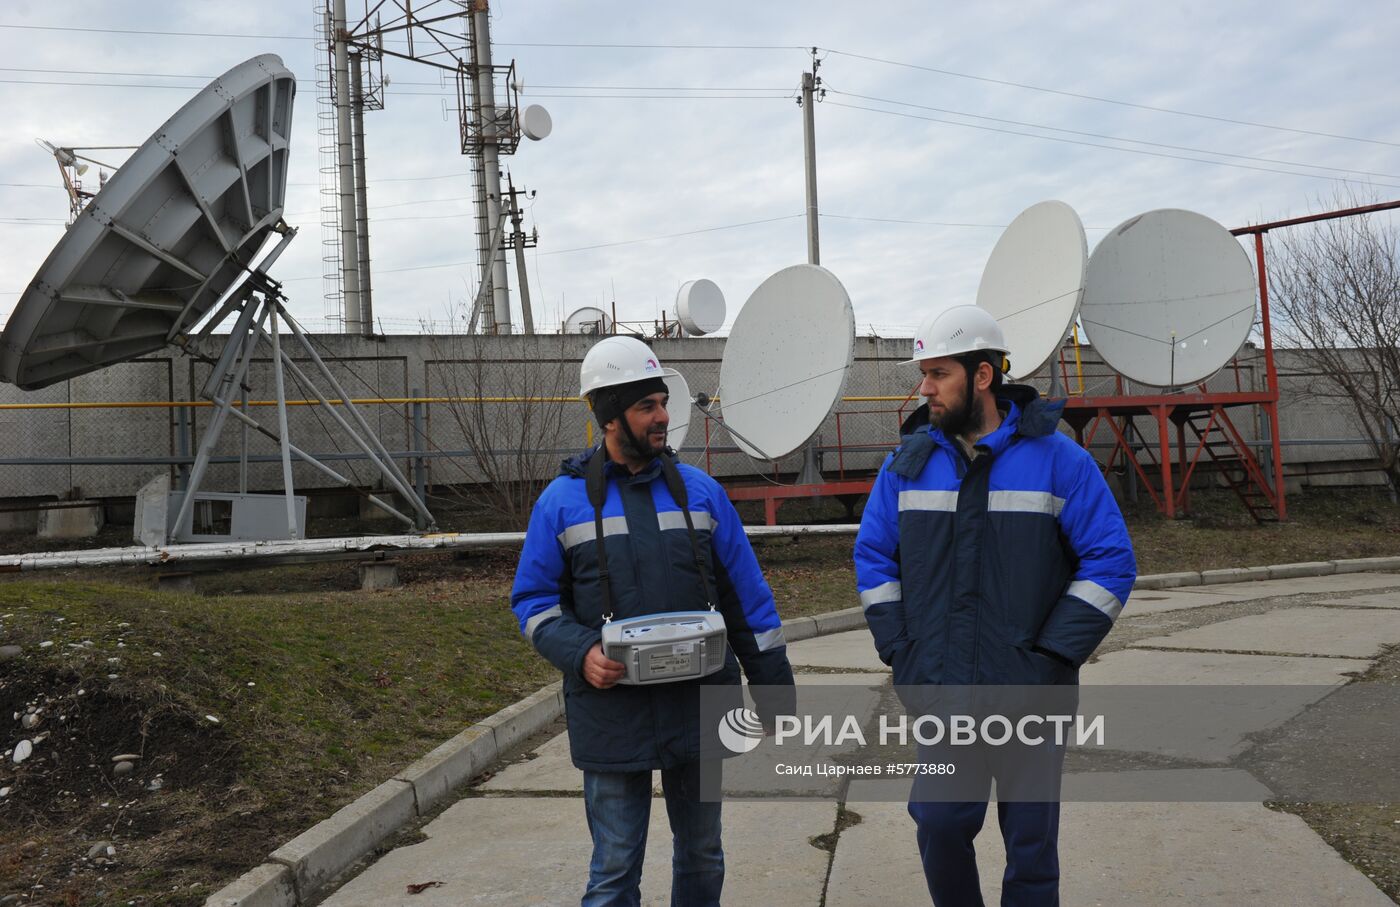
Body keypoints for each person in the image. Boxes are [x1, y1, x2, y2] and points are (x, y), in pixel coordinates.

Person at [854, 305, 1136, 906]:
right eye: (924, 374)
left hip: (1033, 691)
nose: (923, 388)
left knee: (1031, 844)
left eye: (938, 374)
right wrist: (902, 652)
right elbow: (874, 559)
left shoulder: (1061, 461)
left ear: (983, 376)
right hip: (944, 690)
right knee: (939, 821)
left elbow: (1110, 564)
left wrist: (1051, 656)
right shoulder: (908, 466)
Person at [511, 334, 795, 907]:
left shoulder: (703, 494)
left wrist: (775, 695)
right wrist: (580, 652)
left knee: (702, 855)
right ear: (610, 415)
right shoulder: (562, 503)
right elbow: (534, 602)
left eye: (663, 401)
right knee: (614, 868)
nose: (664, 416)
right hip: (613, 716)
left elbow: (750, 604)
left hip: (700, 709)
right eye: (647, 406)